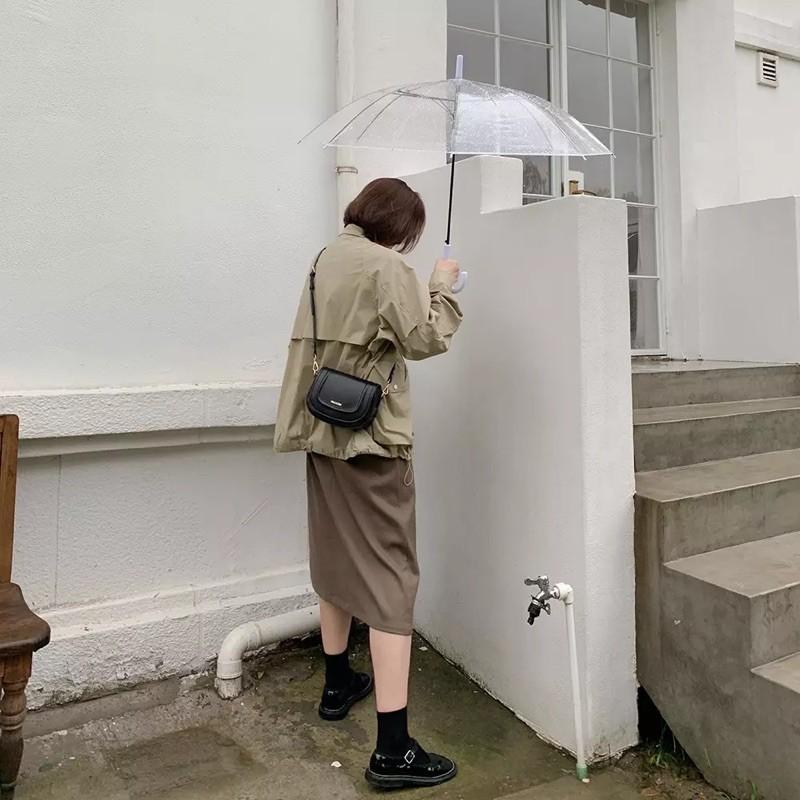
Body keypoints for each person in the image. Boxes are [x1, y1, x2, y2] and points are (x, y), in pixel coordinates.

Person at [274, 177, 463, 789]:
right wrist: (442, 286)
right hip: (371, 442)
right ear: (400, 226)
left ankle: (337, 683)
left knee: (334, 555)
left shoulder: (324, 257)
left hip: (321, 429)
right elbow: (424, 338)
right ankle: (393, 749)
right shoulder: (388, 266)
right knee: (391, 579)